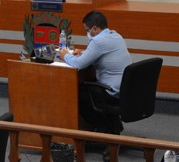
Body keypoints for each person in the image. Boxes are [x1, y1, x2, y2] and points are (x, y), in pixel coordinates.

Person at [56, 11, 132, 141]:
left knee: (77, 94)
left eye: (87, 30)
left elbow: (79, 64)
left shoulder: (98, 41)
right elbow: (101, 52)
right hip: (125, 90)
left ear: (95, 29)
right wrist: (84, 53)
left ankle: (105, 127)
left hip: (111, 92)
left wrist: (65, 56)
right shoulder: (116, 36)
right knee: (88, 86)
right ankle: (112, 126)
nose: (87, 33)